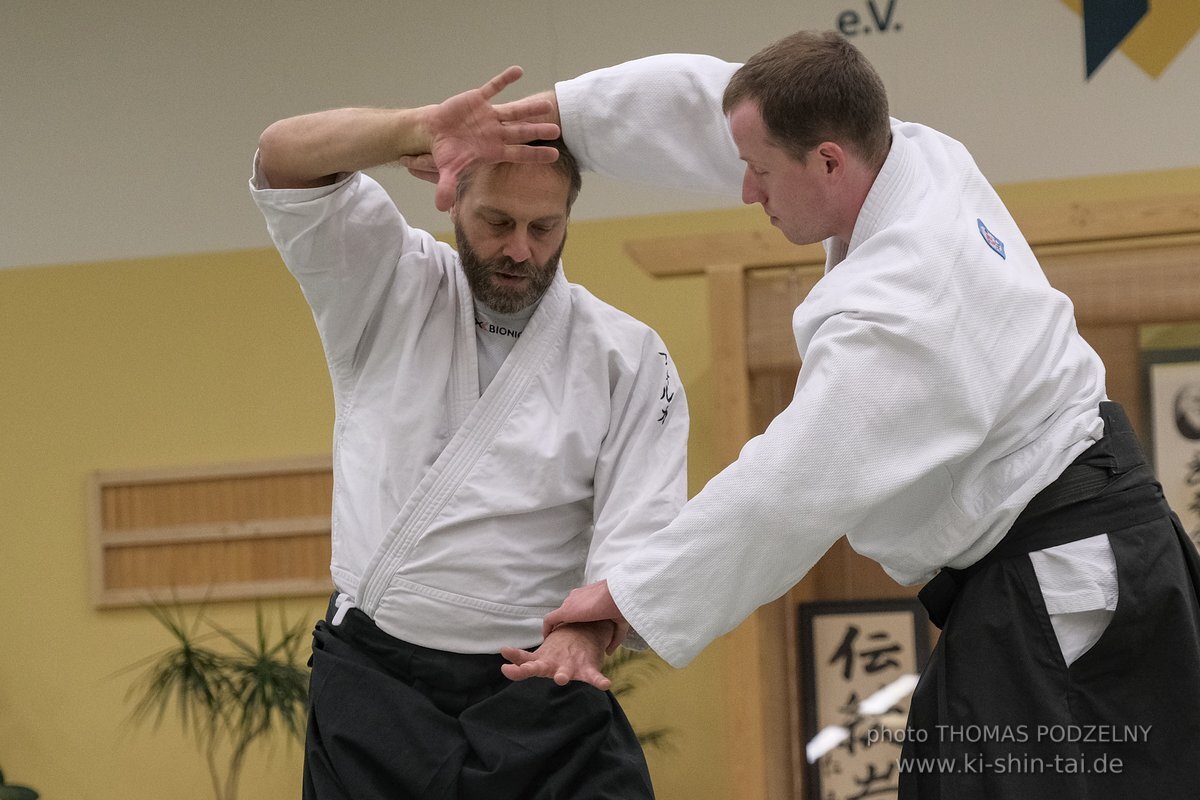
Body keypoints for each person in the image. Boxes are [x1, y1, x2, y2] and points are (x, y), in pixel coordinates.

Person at [458, 31, 1200, 798]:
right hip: (1098, 557)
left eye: (760, 173)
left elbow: (790, 487)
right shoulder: (916, 156)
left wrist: (621, 596)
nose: (747, 190)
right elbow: (712, 108)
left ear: (828, 163)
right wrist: (544, 120)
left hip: (1061, 583)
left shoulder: (898, 307)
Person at [249, 66, 689, 800]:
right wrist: (413, 130)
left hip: (540, 681)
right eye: (496, 223)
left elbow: (642, 519)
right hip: (378, 686)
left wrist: (590, 629)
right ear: (453, 201)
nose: (520, 250)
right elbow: (280, 157)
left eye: (543, 228)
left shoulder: (626, 354)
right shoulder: (387, 285)